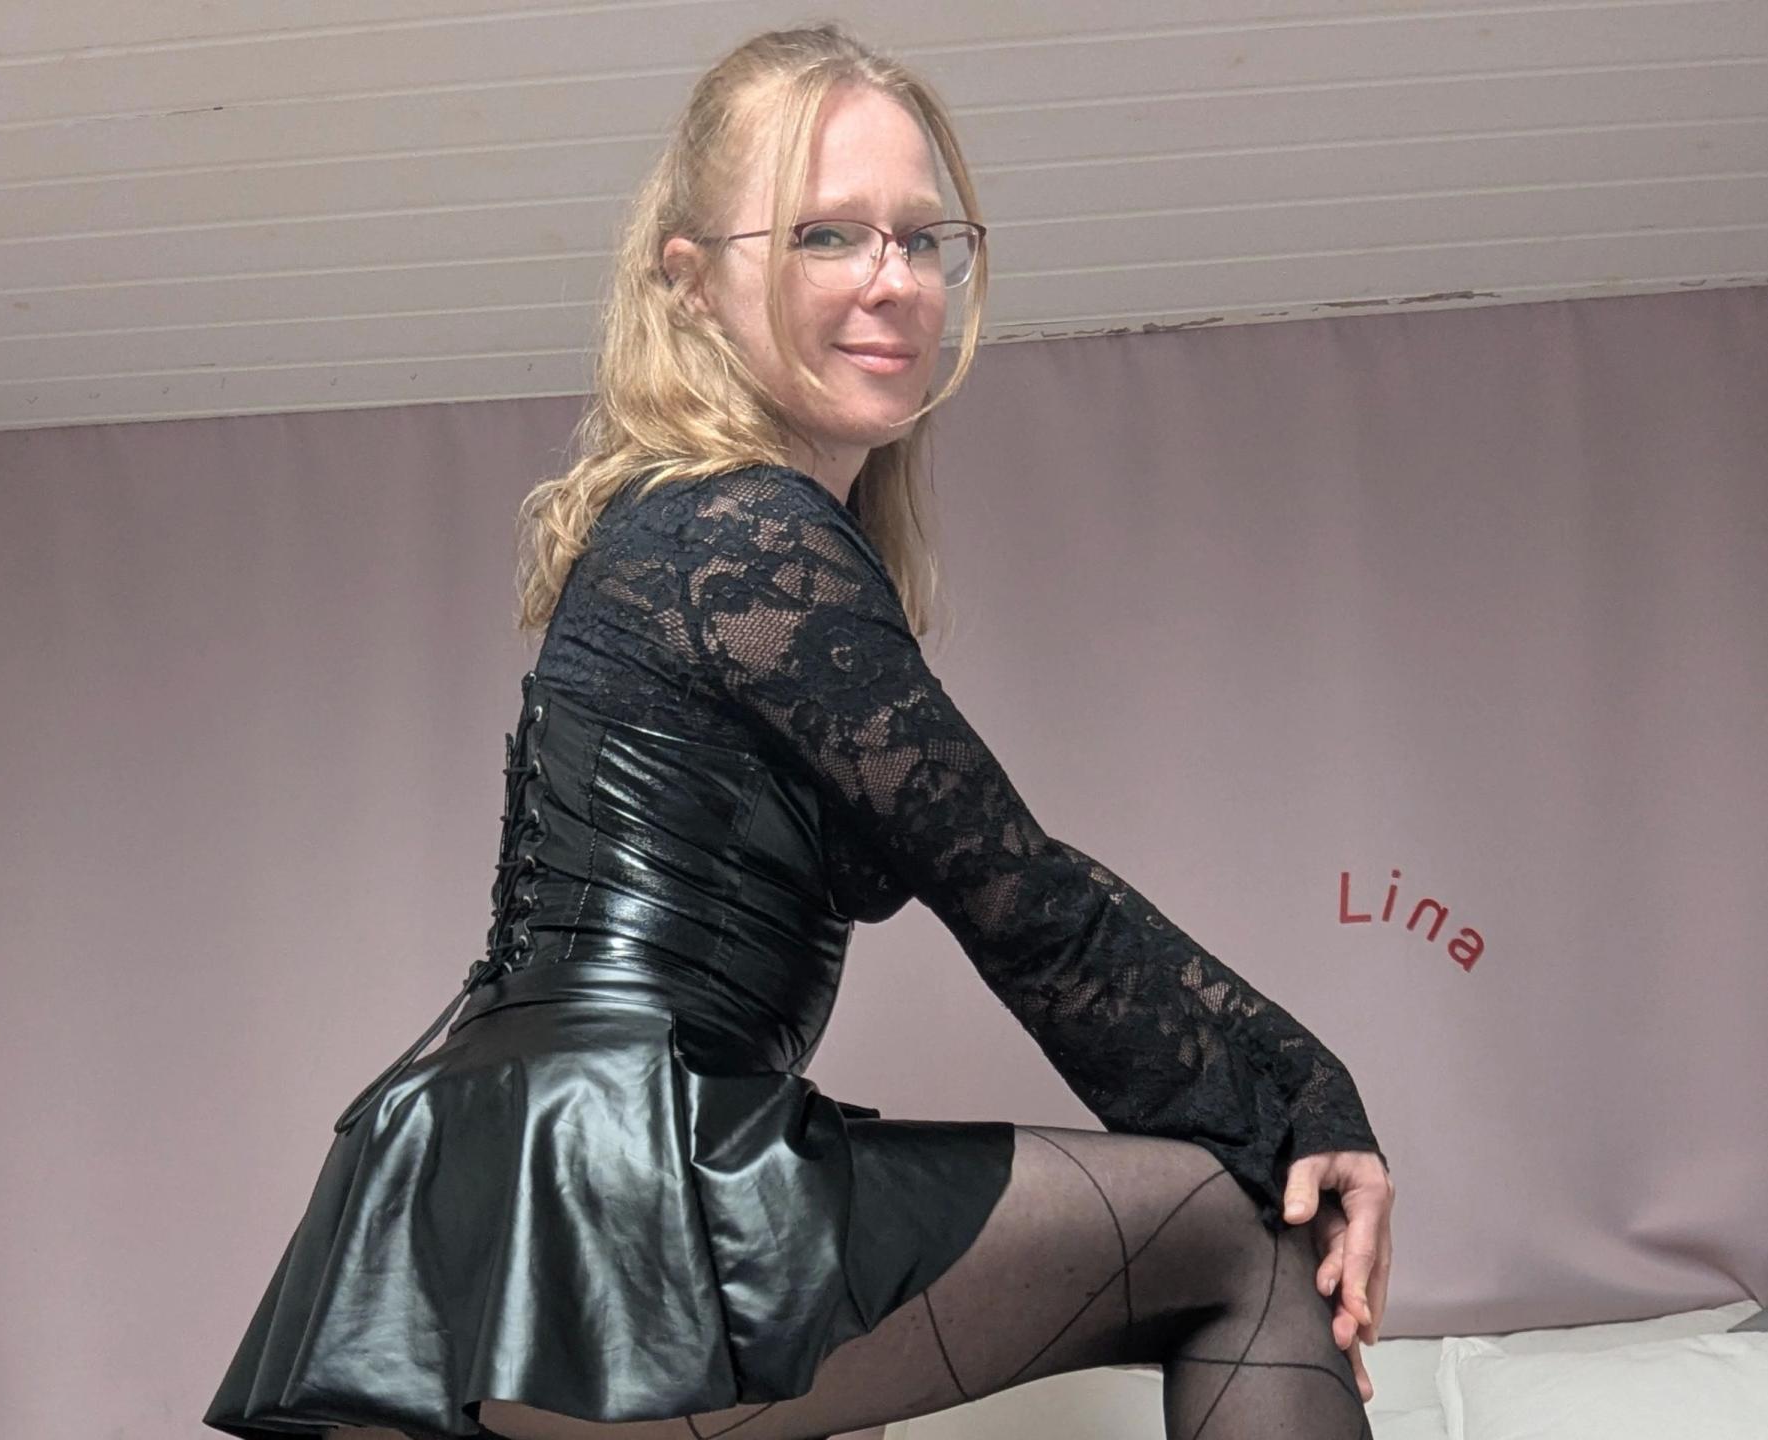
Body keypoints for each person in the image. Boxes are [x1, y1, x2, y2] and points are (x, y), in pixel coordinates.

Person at [204, 22, 1395, 1440]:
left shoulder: (686, 531)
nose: (892, 280)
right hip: (615, 1177)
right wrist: (1303, 1100)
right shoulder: (745, 532)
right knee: (1249, 1236)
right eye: (826, 234)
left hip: (500, 1180)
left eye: (921, 238)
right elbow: (1016, 894)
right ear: (692, 281)